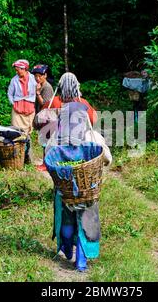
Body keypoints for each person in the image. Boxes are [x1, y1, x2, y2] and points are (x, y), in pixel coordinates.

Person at [43, 72, 111, 272]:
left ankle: (67, 249)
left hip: (65, 186)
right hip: (87, 185)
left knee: (66, 217)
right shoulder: (87, 115)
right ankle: (81, 262)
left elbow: (48, 156)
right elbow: (106, 158)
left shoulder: (56, 114)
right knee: (85, 218)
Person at [7, 59, 37, 164]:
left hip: (29, 110)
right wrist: (14, 104)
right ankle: (17, 158)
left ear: (23, 69)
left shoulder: (33, 79)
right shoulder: (14, 80)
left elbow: (37, 91)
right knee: (17, 133)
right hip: (17, 111)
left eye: (18, 69)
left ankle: (28, 158)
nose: (17, 72)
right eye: (16, 70)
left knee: (27, 134)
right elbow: (10, 94)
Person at [31, 64, 54, 172]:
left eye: (40, 76)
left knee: (46, 141)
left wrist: (37, 93)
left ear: (45, 75)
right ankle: (46, 162)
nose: (37, 78)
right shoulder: (40, 85)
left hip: (47, 118)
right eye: (36, 76)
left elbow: (46, 105)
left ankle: (46, 164)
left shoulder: (47, 87)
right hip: (43, 117)